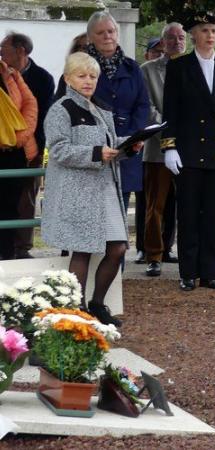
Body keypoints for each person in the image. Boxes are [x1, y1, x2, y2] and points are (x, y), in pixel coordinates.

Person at [42, 52, 143, 327]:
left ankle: (97, 304)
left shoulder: (99, 108)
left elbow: (108, 148)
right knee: (83, 251)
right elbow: (59, 150)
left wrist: (129, 146)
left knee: (118, 248)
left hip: (104, 188)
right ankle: (77, 311)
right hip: (78, 194)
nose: (88, 81)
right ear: (67, 78)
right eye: (81, 76)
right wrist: (97, 153)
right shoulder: (60, 109)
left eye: (92, 76)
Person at [161, 11, 215, 292]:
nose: (210, 36)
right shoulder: (179, 66)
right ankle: (188, 272)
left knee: (213, 213)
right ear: (194, 35)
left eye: (214, 30)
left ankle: (210, 272)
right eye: (205, 30)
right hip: (188, 150)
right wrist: (169, 146)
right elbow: (170, 109)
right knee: (188, 213)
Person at [85, 11, 150, 264]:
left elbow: (142, 105)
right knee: (90, 222)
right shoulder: (80, 67)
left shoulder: (132, 68)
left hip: (125, 153)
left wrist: (133, 135)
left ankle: (114, 281)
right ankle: (85, 279)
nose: (107, 36)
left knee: (117, 221)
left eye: (111, 31)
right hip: (94, 151)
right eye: (101, 33)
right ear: (91, 37)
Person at [0, 32, 54, 260]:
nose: (1, 53)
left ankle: (19, 250)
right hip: (3, 147)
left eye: (5, 49)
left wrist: (20, 139)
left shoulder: (43, 78)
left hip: (27, 149)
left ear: (21, 51)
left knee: (23, 201)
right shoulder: (3, 73)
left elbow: (38, 116)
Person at [140, 23, 185, 277]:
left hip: (189, 149)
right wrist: (170, 133)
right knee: (154, 206)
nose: (176, 41)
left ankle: (184, 251)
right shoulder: (147, 71)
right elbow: (148, 110)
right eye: (171, 37)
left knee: (187, 204)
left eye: (181, 38)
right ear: (162, 42)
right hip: (157, 148)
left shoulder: (194, 67)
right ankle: (153, 255)